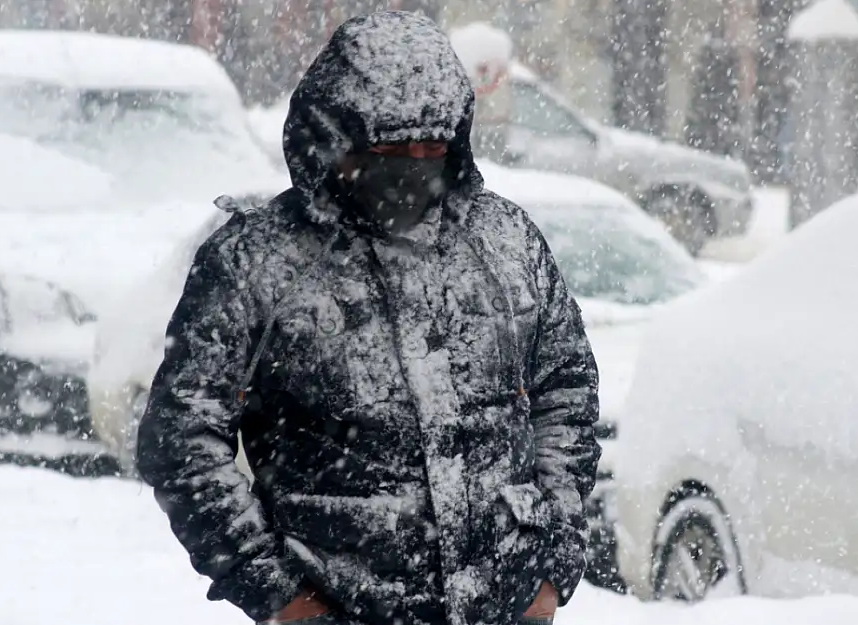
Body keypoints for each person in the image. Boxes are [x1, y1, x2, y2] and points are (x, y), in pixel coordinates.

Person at [135, 11, 601, 625]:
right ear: (334, 140)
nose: (413, 166)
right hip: (341, 606)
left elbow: (565, 391)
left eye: (431, 148)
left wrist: (552, 563)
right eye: (390, 150)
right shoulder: (258, 261)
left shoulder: (505, 240)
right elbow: (182, 439)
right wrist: (277, 594)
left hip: (504, 605)